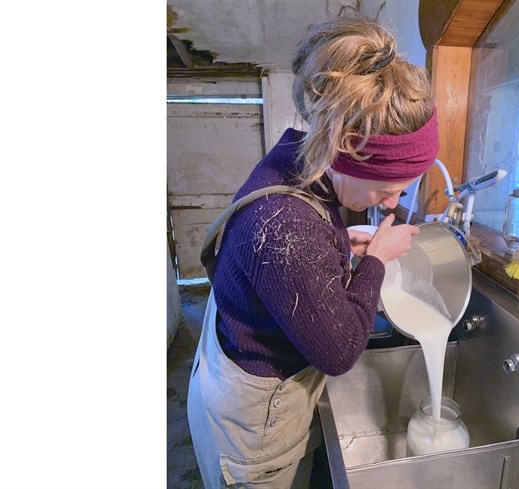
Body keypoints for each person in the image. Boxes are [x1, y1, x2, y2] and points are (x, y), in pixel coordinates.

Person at [187, 15, 440, 489]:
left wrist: (341, 245)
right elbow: (340, 351)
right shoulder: (286, 225)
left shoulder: (296, 160)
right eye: (391, 189)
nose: (392, 204)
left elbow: (292, 256)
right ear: (347, 150)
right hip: (253, 426)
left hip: (229, 367)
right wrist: (376, 261)